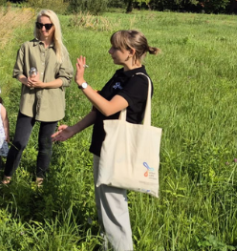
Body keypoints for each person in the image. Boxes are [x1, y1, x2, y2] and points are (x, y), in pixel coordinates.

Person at [52, 30, 160, 251]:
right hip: (103, 147)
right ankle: (107, 246)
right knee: (105, 207)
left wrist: (82, 83)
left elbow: (109, 107)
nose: (110, 51)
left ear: (130, 52)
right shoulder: (120, 75)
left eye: (115, 48)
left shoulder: (140, 82)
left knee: (114, 209)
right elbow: (99, 109)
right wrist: (73, 129)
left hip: (119, 152)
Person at [2, 10, 73, 186]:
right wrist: (26, 80)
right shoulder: (26, 47)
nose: (43, 29)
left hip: (52, 103)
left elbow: (65, 79)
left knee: (45, 144)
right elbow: (18, 72)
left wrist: (44, 85)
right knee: (19, 142)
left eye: (47, 26)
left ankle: (39, 180)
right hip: (29, 102)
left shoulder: (61, 51)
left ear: (54, 27)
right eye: (39, 25)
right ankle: (7, 177)